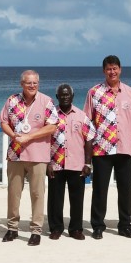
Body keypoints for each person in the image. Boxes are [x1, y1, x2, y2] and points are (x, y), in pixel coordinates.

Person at [84, 55, 131, 239]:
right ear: (104, 71)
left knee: (125, 189)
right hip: (101, 148)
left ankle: (125, 225)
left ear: (120, 69)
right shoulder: (94, 92)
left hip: (125, 148)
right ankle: (98, 226)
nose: (112, 71)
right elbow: (87, 122)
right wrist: (86, 151)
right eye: (109, 69)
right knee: (100, 189)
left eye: (115, 68)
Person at [0, 70, 58, 246]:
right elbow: (3, 122)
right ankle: (12, 228)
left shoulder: (46, 101)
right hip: (15, 154)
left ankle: (36, 230)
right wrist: (14, 136)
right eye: (28, 83)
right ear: (21, 84)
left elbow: (52, 126)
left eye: (35, 83)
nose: (32, 86)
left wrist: (29, 137)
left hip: (38, 155)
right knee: (13, 193)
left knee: (37, 194)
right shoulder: (12, 100)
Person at [46, 84, 94, 240]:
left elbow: (89, 139)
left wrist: (88, 163)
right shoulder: (50, 116)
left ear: (72, 97)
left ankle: (75, 229)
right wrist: (47, 162)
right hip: (56, 163)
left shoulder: (82, 116)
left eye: (67, 95)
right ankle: (56, 228)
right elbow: (44, 140)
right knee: (55, 199)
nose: (65, 97)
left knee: (77, 198)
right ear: (57, 96)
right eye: (62, 95)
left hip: (77, 164)